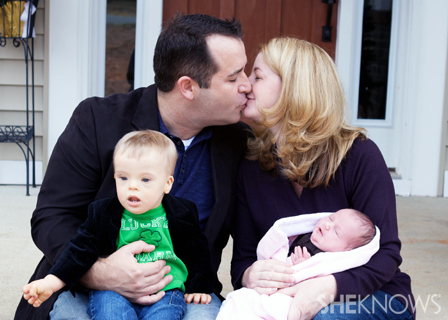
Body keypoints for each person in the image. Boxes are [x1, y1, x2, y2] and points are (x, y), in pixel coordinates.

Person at [15, 13, 251, 320]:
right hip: (88, 288)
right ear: (188, 87)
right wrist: (99, 272)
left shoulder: (239, 143)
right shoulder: (97, 120)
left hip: (183, 294)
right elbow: (52, 216)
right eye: (233, 78)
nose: (247, 86)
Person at [231, 37, 414, 319]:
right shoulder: (252, 166)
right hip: (289, 295)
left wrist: (323, 291)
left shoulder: (359, 156)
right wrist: (251, 276)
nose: (245, 85)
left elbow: (386, 255)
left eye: (257, 76)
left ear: (294, 88)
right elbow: (243, 260)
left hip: (375, 296)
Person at [22, 130, 214, 319]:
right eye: (123, 177)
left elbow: (198, 252)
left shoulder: (182, 213)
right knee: (110, 311)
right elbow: (79, 251)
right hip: (112, 290)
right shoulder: (103, 213)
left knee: (165, 314)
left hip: (165, 291)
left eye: (145, 179)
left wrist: (200, 286)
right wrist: (51, 282)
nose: (132, 186)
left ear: (167, 183)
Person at [217, 209, 379, 320]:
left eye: (336, 232)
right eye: (330, 218)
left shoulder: (332, 259)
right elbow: (278, 252)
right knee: (243, 299)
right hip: (273, 283)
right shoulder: (303, 236)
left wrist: (304, 269)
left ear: (346, 251)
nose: (328, 225)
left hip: (294, 298)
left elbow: (319, 278)